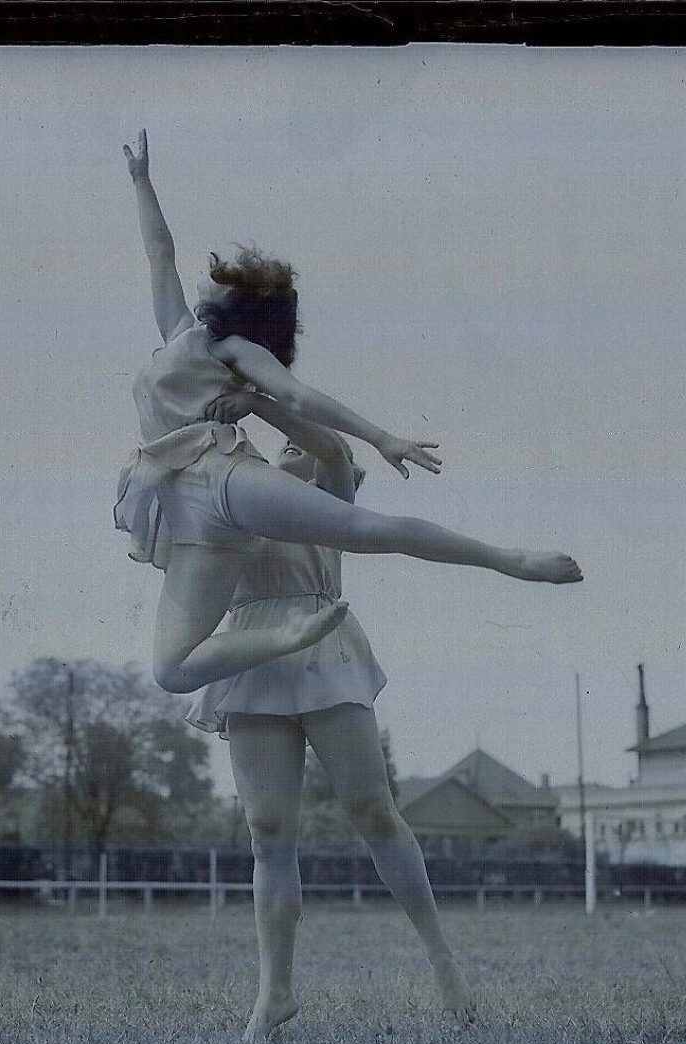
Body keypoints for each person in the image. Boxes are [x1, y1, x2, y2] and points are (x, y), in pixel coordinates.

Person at [117, 129, 583, 696]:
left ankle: (511, 560)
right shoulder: (179, 335)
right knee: (172, 671)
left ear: (238, 308)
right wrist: (143, 182)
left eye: (217, 282)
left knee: (365, 530)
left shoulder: (230, 351)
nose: (203, 279)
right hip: (184, 513)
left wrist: (381, 437)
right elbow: (159, 255)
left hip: (218, 478)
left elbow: (297, 397)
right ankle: (290, 636)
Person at [186, 389, 476, 1040]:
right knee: (267, 829)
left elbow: (332, 448)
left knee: (370, 806)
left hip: (322, 638)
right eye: (274, 441)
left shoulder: (327, 490)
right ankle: (275, 991)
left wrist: (256, 402)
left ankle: (442, 962)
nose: (287, 444)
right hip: (253, 649)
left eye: (294, 437)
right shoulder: (229, 497)